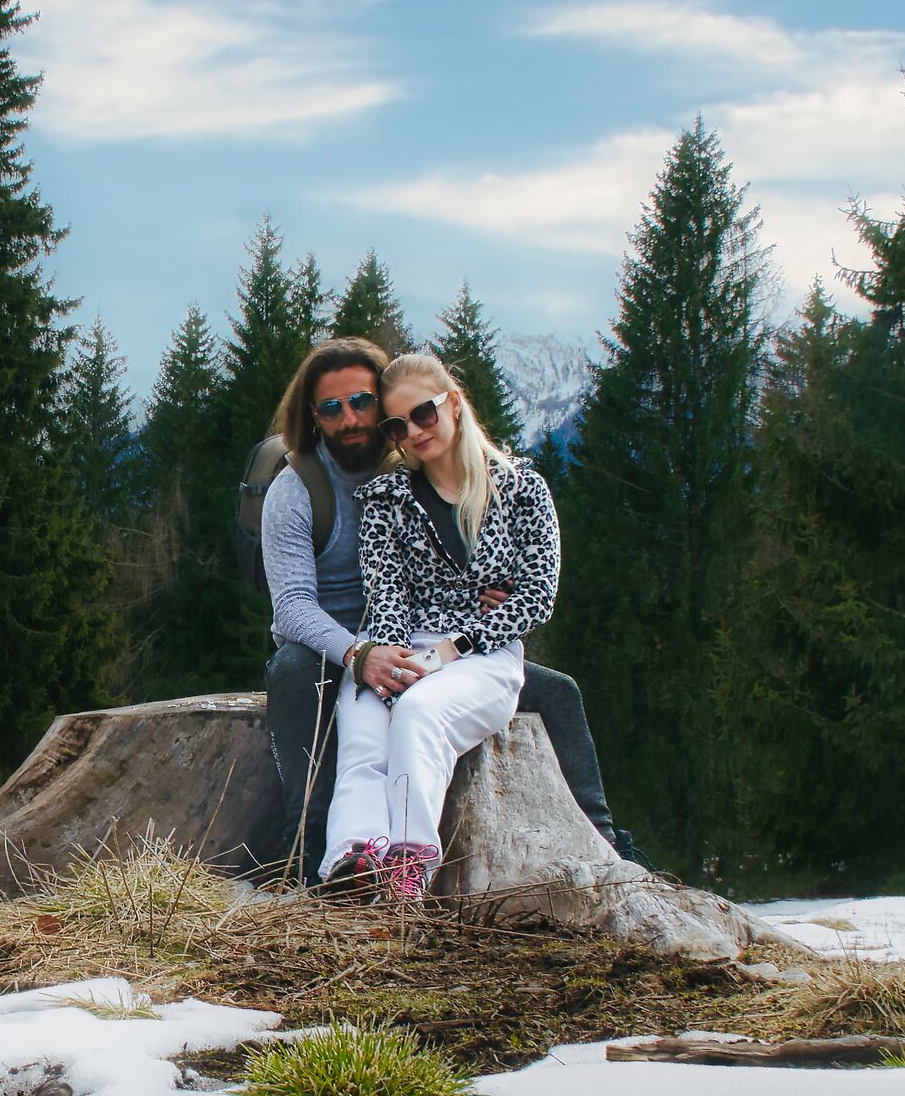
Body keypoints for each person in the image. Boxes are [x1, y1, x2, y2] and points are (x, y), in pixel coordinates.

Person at [259, 339, 628, 885]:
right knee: (315, 690)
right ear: (312, 417)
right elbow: (294, 607)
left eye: (364, 403)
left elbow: (533, 590)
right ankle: (314, 851)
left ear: (448, 403)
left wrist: (480, 612)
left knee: (557, 693)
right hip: (339, 645)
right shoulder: (301, 490)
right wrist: (366, 655)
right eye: (331, 408)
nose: (352, 418)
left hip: (447, 645)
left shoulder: (463, 474)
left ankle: (607, 846)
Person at [319, 350, 563, 900]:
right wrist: (393, 659)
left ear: (453, 403)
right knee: (363, 718)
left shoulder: (522, 490)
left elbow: (537, 596)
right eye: (396, 425)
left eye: (423, 414)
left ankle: (410, 866)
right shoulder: (386, 501)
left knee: (420, 713)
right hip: (408, 645)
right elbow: (388, 594)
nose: (413, 432)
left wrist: (465, 641)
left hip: (485, 657)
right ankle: (355, 863)